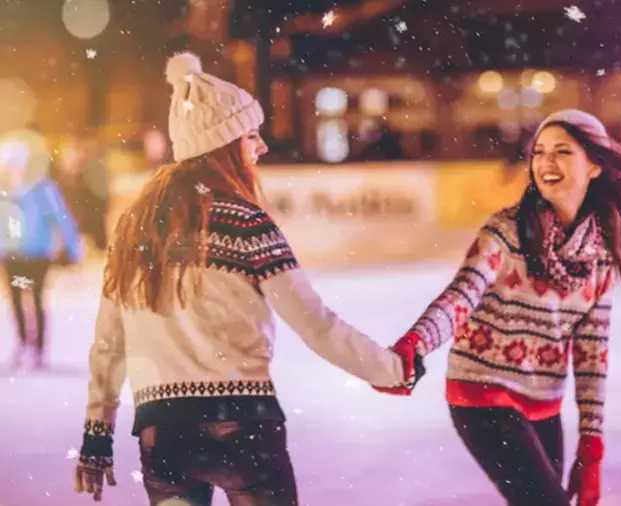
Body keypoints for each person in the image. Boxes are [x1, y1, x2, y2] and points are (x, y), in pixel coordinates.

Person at [73, 52, 421, 506]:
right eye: (251, 136)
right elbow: (315, 324)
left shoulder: (136, 227)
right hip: (243, 428)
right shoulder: (246, 223)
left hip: (163, 433)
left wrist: (97, 435)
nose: (261, 147)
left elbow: (109, 344)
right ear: (223, 145)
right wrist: (391, 369)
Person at [376, 110, 621, 506]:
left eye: (562, 151)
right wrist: (416, 342)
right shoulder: (506, 231)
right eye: (539, 152)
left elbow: (591, 356)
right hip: (483, 393)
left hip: (543, 401)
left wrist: (591, 446)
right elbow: (461, 295)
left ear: (596, 166)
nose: (546, 163)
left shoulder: (600, 253)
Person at [0, 137, 84, 369]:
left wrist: (73, 248)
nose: (10, 170)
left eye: (14, 164)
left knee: (35, 299)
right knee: (16, 300)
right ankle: (22, 345)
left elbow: (61, 218)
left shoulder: (42, 188)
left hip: (37, 255)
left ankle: (37, 350)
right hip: (12, 256)